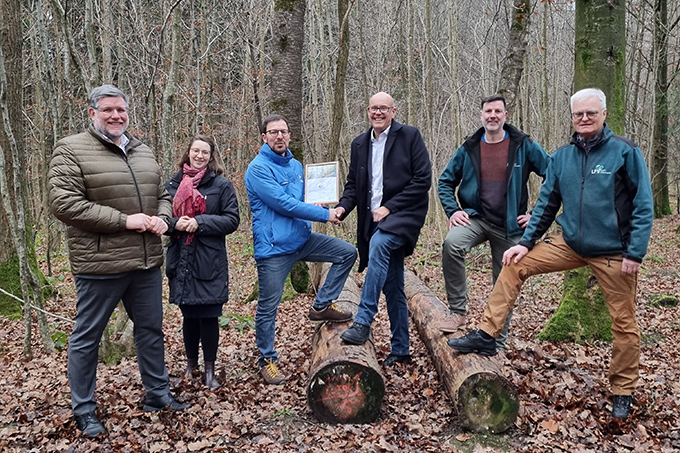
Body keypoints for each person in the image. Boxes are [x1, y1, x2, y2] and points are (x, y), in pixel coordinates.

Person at [447, 88, 653, 419]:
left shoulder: (625, 153)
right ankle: (487, 334)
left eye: (591, 113)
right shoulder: (562, 157)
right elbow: (545, 205)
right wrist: (525, 243)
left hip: (615, 252)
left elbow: (643, 206)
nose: (584, 119)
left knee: (624, 323)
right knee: (514, 264)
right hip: (570, 243)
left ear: (603, 115)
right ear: (572, 117)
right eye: (578, 114)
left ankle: (622, 390)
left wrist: (635, 253)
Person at [49, 85, 189, 438]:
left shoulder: (142, 151)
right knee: (87, 337)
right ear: (92, 112)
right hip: (100, 263)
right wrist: (123, 220)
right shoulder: (71, 149)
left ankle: (157, 395)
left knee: (151, 331)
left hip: (145, 263)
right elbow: (63, 204)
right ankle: (84, 409)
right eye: (108, 109)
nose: (116, 116)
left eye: (121, 110)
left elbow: (163, 194)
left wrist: (161, 217)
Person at [244, 114, 357, 385]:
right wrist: (325, 216)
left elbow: (303, 200)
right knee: (268, 307)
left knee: (347, 252)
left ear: (289, 135)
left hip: (302, 241)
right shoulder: (257, 169)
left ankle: (321, 305)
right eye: (273, 132)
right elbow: (284, 204)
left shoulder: (295, 166)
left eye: (283, 131)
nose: (279, 136)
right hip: (274, 248)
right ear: (264, 137)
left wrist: (317, 205)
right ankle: (267, 360)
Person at [437, 94, 549, 350]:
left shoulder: (523, 144)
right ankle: (457, 311)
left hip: (511, 225)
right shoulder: (470, 147)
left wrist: (535, 213)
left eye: (498, 111)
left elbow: (553, 174)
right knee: (452, 244)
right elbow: (445, 182)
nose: (493, 116)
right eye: (488, 111)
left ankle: (496, 341)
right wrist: (453, 210)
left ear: (505, 115)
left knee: (505, 280)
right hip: (476, 218)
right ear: (481, 115)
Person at [337, 92, 432, 366]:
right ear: (368, 111)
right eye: (373, 108)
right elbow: (353, 186)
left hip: (404, 214)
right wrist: (343, 208)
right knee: (393, 283)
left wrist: (390, 207)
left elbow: (422, 179)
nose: (378, 113)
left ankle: (364, 319)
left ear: (393, 111)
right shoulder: (359, 144)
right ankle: (401, 348)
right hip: (373, 220)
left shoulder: (409, 136)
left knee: (380, 245)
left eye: (383, 108)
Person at [165, 135, 240, 390]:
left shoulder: (221, 185)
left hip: (209, 261)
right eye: (195, 151)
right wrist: (177, 223)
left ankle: (210, 370)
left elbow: (232, 220)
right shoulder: (173, 184)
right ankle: (191, 365)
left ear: (211, 156)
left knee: (208, 315)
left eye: (204, 152)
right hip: (182, 260)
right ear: (188, 153)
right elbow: (161, 219)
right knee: (189, 315)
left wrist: (201, 222)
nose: (199, 156)